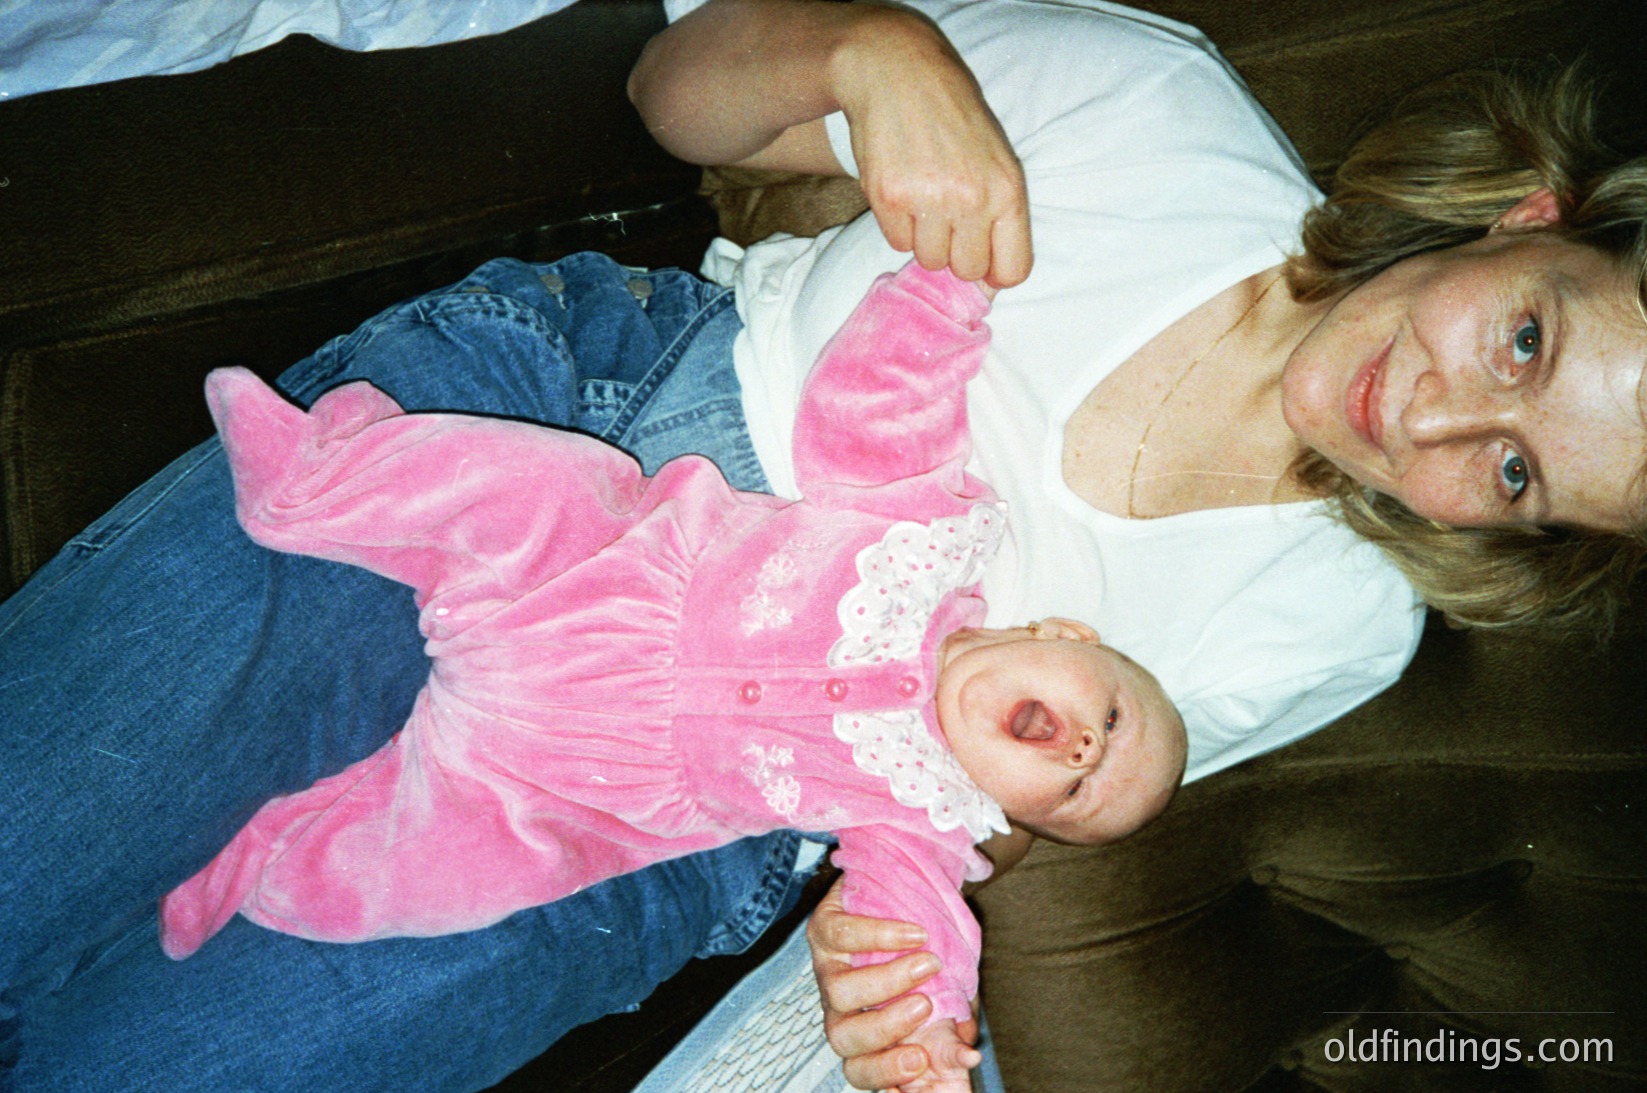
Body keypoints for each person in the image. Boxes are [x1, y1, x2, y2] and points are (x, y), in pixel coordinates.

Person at [2, 0, 1644, 1089]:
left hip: (663, 813)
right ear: (1526, 224)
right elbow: (674, 91)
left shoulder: (1344, 621)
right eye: (1521, 344)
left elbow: (989, 807)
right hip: (549, 441)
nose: (1431, 425)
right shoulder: (1161, 109)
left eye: (1512, 473)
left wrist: (894, 940)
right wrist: (871, 53)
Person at [158, 262, 1187, 1093]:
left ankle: (265, 867)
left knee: (446, 870)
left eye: (1074, 792)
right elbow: (874, 404)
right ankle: (314, 485)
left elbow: (913, 940)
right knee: (526, 486)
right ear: (1061, 628)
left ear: (1008, 810)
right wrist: (943, 294)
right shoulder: (925, 538)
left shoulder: (918, 817)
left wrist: (920, 1041)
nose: (1088, 750)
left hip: (580, 779)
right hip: (598, 572)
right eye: (1111, 713)